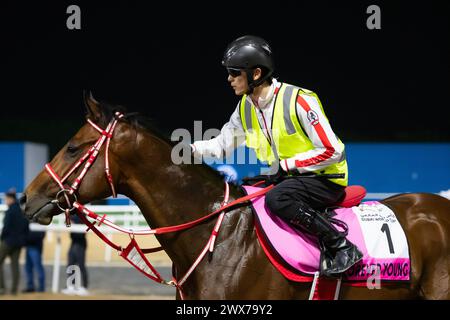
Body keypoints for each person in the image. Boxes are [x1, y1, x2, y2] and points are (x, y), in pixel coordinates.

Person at [191, 36, 363, 277]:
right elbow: (221, 145)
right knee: (244, 193)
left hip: (324, 179)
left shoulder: (300, 100)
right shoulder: (244, 108)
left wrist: (286, 165)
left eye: (234, 72)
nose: (229, 79)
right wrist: (189, 150)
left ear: (256, 73)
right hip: (289, 179)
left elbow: (333, 151)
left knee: (277, 199)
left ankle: (341, 245)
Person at [0, 188, 29, 294]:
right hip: (19, 242)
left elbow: (6, 228)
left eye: (6, 199)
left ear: (10, 199)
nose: (6, 201)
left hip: (8, 241)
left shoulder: (10, 211)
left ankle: (1, 288)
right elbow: (26, 227)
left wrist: (2, 238)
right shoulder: (22, 211)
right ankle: (14, 290)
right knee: (15, 265)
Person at [62, 214, 89, 296]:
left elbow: (82, 224)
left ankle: (84, 287)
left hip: (80, 242)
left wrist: (73, 222)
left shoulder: (82, 215)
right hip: (73, 241)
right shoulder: (73, 214)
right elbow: (66, 222)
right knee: (70, 264)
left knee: (81, 265)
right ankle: (71, 286)